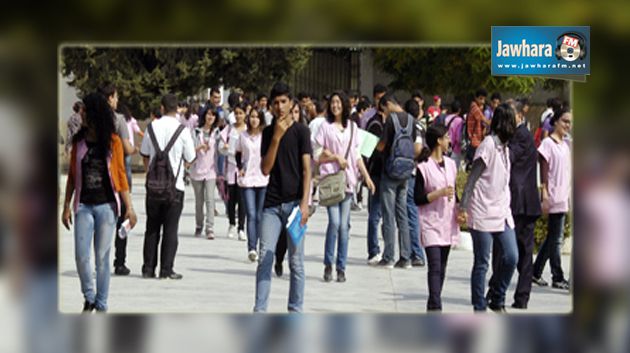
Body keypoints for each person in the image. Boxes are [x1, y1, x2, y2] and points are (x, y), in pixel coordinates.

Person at [61, 92, 137, 312]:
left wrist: (129, 208)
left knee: (103, 259)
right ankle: (90, 296)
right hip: (83, 206)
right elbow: (73, 177)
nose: (81, 113)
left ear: (94, 113)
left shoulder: (112, 142)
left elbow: (121, 176)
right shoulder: (79, 142)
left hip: (106, 208)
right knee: (81, 256)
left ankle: (101, 304)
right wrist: (66, 206)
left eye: (85, 110)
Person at [254, 82, 312, 313]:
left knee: (296, 263)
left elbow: (308, 170)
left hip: (295, 205)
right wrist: (276, 138)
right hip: (272, 205)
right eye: (275, 103)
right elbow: (265, 169)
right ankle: (259, 311)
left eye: (283, 102)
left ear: (291, 103)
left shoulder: (301, 132)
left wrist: (304, 204)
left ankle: (295, 311)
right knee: (264, 258)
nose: (279, 106)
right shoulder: (268, 133)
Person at [459, 103, 518, 312]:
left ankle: (496, 295)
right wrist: (463, 207)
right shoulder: (488, 145)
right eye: (515, 119)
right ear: (506, 122)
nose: (518, 123)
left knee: (511, 257)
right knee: (482, 262)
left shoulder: (506, 147)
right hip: (482, 211)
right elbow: (472, 179)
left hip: (502, 211)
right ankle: (479, 305)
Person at [314, 91, 375, 282]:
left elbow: (357, 156)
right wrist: (334, 157)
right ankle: (328, 263)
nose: (335, 106)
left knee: (344, 227)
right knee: (335, 222)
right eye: (332, 102)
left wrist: (367, 178)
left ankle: (341, 267)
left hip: (348, 182)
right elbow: (317, 155)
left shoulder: (353, 127)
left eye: (338, 102)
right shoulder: (324, 126)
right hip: (332, 181)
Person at [491, 101, 541, 310]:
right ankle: (502, 293)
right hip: (519, 202)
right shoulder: (518, 135)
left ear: (520, 115)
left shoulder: (521, 135)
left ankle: (514, 296)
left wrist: (496, 142)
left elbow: (508, 158)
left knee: (514, 251)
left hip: (520, 203)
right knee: (516, 252)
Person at [139, 94, 196, 280]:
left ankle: (148, 268)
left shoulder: (151, 127)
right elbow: (190, 158)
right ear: (177, 109)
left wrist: (151, 174)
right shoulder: (183, 130)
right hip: (175, 187)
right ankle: (166, 269)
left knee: (152, 228)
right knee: (171, 229)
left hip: (153, 187)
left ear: (162, 108)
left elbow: (145, 155)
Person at [414, 124, 463, 311]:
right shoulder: (423, 168)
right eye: (447, 137)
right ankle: (436, 308)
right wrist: (438, 193)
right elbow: (417, 198)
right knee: (434, 266)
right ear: (438, 141)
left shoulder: (451, 165)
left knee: (442, 268)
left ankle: (432, 303)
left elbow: (455, 192)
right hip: (430, 223)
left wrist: (460, 210)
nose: (450, 140)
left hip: (447, 222)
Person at [375, 93, 423, 269]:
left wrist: (374, 146)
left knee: (389, 215)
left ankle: (388, 256)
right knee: (402, 214)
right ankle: (405, 257)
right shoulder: (411, 120)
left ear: (388, 104)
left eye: (384, 109)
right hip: (406, 171)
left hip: (390, 171)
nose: (384, 113)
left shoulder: (391, 120)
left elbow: (383, 144)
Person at [532, 106, 572, 291]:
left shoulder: (565, 145)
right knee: (555, 239)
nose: (567, 125)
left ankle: (535, 271)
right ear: (555, 121)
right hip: (553, 195)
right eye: (564, 121)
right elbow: (544, 169)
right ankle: (557, 276)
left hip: (564, 196)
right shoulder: (548, 144)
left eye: (570, 122)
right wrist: (545, 192)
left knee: (553, 237)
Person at [98, 83, 135, 276]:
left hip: (97, 175)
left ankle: (100, 260)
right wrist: (134, 149)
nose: (117, 100)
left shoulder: (92, 120)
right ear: (110, 98)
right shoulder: (118, 119)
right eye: (116, 97)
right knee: (123, 217)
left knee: (101, 219)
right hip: (119, 174)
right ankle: (120, 262)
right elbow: (127, 148)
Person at [236, 108, 269, 262]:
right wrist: (240, 168)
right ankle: (251, 248)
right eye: (252, 117)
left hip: (262, 178)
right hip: (248, 178)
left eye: (257, 117)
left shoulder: (265, 136)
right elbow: (237, 152)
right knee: (251, 214)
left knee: (261, 215)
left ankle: (262, 246)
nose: (254, 120)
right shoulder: (243, 136)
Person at [190, 105, 220, 239]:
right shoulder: (196, 132)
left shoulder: (217, 133)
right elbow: (189, 150)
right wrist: (199, 147)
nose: (210, 117)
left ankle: (210, 227)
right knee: (199, 201)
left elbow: (221, 151)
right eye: (208, 114)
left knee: (210, 199)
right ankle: (198, 225)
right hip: (197, 170)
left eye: (213, 115)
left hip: (211, 171)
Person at [219, 102, 248, 240]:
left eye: (241, 113)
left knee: (243, 199)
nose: (238, 116)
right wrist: (224, 147)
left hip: (244, 169)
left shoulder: (248, 130)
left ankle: (241, 228)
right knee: (231, 199)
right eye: (236, 113)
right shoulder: (229, 129)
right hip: (231, 167)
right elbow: (220, 147)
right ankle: (231, 223)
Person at [403, 99, 427, 267]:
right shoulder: (419, 125)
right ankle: (413, 251)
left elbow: (417, 148)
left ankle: (416, 253)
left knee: (410, 213)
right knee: (412, 212)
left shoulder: (411, 126)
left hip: (410, 172)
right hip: (417, 171)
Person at [465, 88, 489, 167]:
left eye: (484, 99)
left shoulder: (477, 107)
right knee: (474, 164)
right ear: (476, 98)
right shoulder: (474, 107)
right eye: (481, 99)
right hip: (474, 139)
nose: (482, 102)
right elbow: (485, 120)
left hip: (477, 139)